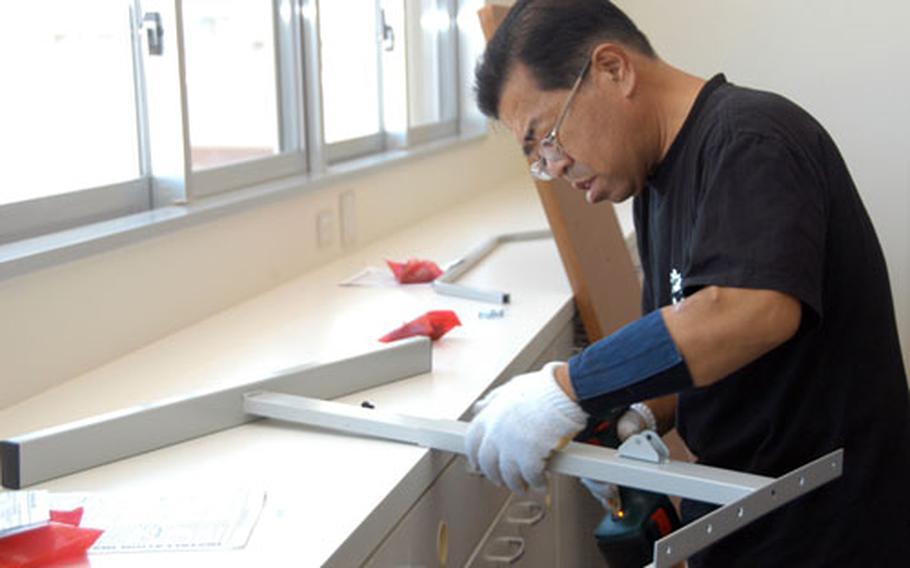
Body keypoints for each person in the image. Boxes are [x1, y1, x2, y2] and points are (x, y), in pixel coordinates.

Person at [464, 1, 910, 566]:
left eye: (547, 137)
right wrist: (630, 415)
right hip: (749, 509)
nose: (556, 167)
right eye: (539, 159)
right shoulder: (657, 182)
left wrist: (570, 387)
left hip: (826, 527)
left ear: (612, 69)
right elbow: (689, 342)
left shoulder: (751, 140)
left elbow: (750, 312)